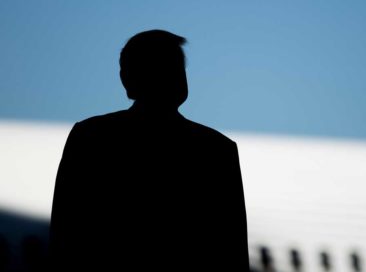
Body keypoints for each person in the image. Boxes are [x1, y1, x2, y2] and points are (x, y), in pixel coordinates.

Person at [49, 30, 249, 271]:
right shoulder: (215, 150)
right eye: (166, 68)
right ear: (129, 78)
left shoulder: (91, 136)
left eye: (177, 68)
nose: (176, 76)